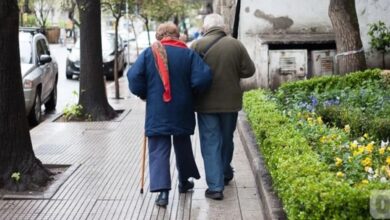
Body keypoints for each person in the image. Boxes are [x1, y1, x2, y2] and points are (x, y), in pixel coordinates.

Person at [127, 22, 212, 207]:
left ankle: (163, 193)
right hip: (182, 107)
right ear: (176, 35)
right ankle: (184, 181)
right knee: (182, 143)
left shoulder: (149, 53)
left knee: (158, 148)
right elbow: (204, 77)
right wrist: (192, 93)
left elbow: (133, 77)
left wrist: (144, 93)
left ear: (159, 36)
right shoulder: (188, 53)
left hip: (157, 109)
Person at [191, 13, 256, 200]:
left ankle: (215, 187)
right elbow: (249, 70)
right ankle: (226, 173)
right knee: (227, 139)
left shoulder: (197, 45)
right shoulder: (235, 44)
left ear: (205, 27)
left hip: (205, 104)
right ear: (223, 27)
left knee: (211, 142)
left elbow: (191, 74)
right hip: (230, 103)